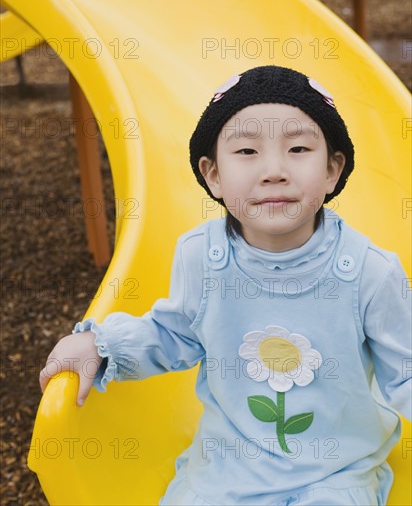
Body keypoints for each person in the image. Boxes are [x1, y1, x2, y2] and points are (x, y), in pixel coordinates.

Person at [40, 66, 411, 505]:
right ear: (213, 175)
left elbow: (404, 371)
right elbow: (175, 334)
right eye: (247, 151)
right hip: (228, 461)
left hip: (334, 467)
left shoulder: (370, 272)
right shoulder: (202, 257)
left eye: (297, 148)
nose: (274, 170)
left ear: (332, 170)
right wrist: (101, 347)